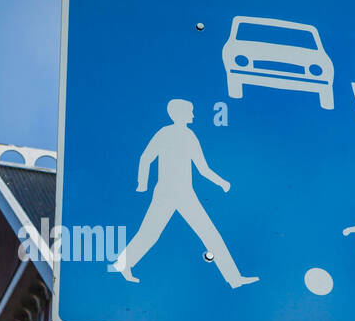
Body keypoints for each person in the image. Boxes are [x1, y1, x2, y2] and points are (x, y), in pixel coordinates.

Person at [110, 98, 258, 288]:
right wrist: (142, 184)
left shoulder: (190, 135)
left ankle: (234, 278)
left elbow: (203, 169)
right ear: (179, 114)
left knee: (209, 234)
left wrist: (222, 183)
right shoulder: (165, 133)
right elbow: (146, 157)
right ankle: (122, 265)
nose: (193, 115)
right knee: (150, 233)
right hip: (166, 192)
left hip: (185, 193)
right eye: (190, 111)